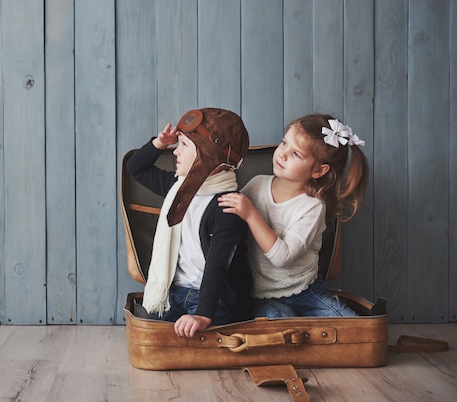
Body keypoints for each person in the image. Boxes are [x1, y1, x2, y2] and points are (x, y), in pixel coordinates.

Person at [218, 113, 369, 318]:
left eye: (296, 154)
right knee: (279, 322)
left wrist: (251, 215)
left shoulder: (312, 206)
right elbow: (225, 217)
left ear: (318, 170)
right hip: (260, 295)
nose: (282, 154)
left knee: (350, 325)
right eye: (283, 143)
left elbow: (283, 257)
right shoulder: (256, 185)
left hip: (304, 291)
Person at [126, 108, 252, 337]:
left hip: (213, 297)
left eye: (184, 145)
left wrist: (203, 313)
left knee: (204, 333)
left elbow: (218, 265)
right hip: (174, 293)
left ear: (209, 153)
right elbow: (136, 168)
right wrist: (159, 143)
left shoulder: (227, 207)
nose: (176, 152)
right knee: (145, 329)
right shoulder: (177, 187)